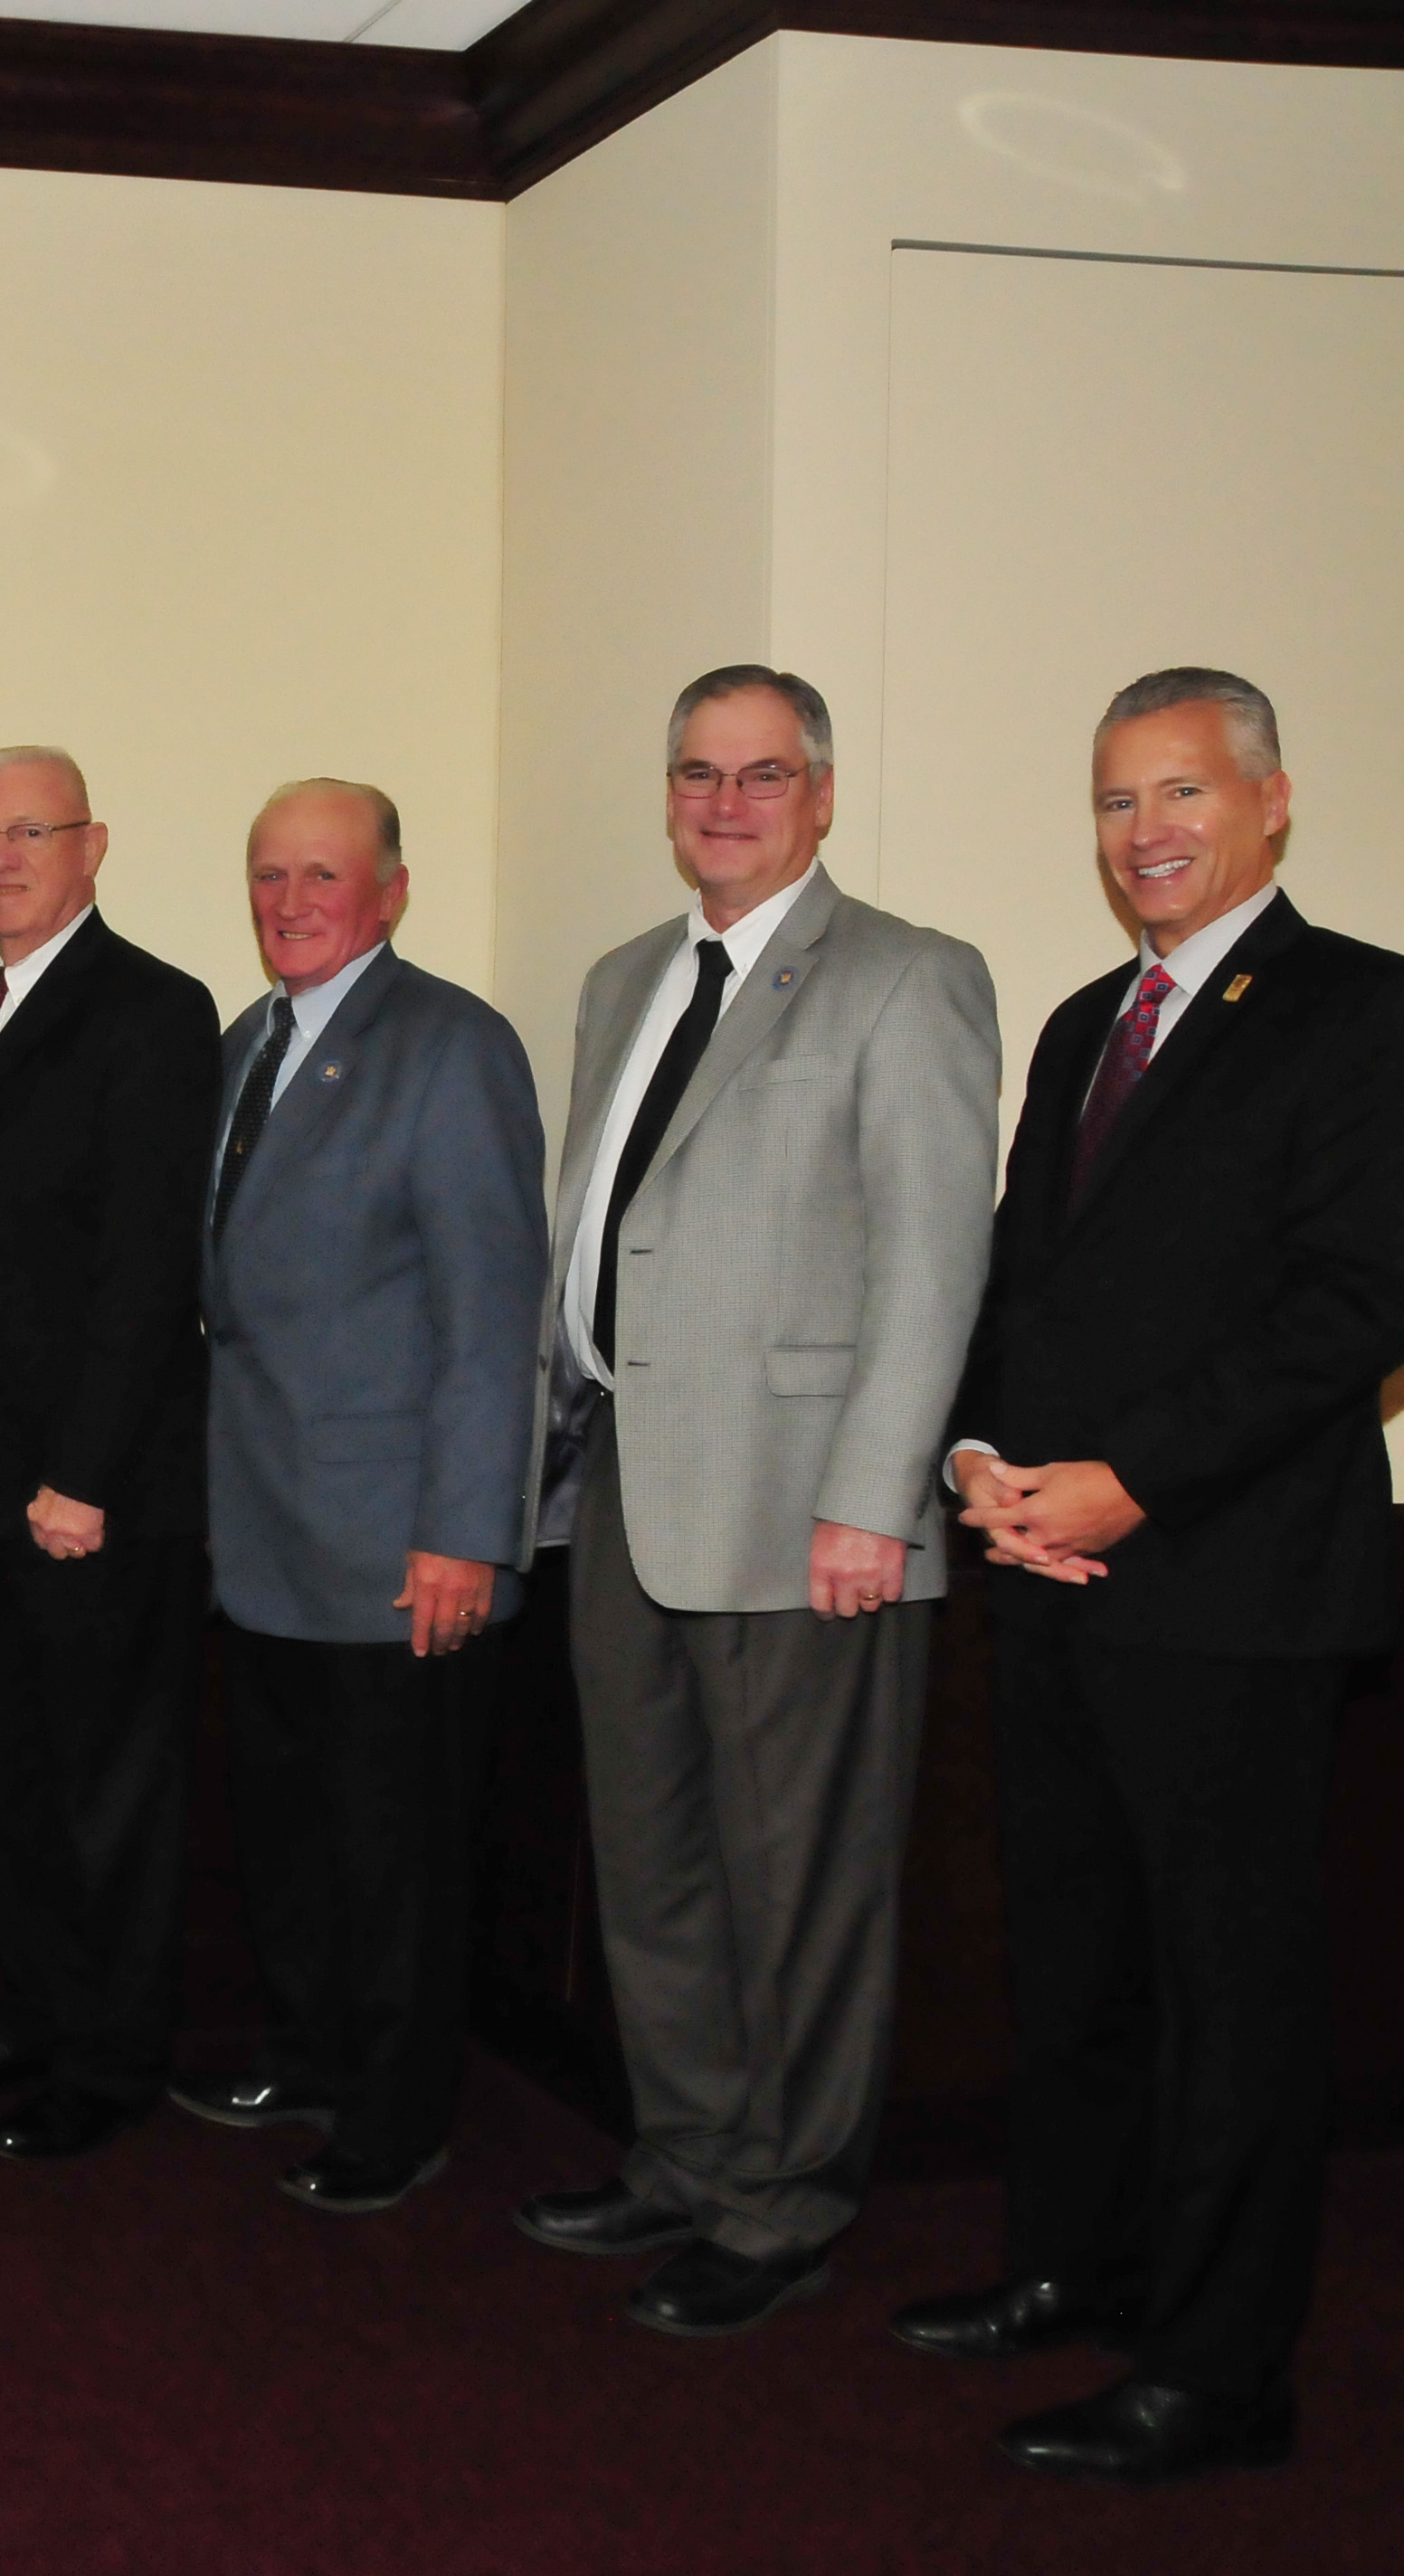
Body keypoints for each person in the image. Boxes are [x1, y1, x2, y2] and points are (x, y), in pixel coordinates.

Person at [898, 670, 1404, 2485]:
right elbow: (1014, 1279)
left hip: (1233, 1593)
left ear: (1271, 802)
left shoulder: (1355, 1009)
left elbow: (1350, 1307)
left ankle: (1214, 2369)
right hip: (1042, 1571)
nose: (1144, 831)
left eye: (1180, 791)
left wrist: (1125, 1483)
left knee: (1228, 1996)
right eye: (1114, 800)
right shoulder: (1076, 1022)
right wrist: (970, 1457)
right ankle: (1069, 2261)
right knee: (1074, 1961)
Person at [515, 667, 998, 2336]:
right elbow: (607, 1230)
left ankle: (784, 2201)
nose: (725, 802)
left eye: (762, 774)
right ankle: (689, 2152)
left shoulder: (905, 978)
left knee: (801, 1883)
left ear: (822, 793)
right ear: (666, 796)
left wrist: (877, 1500)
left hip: (810, 1523)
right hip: (621, 1491)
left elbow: (937, 1266)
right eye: (697, 775)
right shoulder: (624, 978)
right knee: (654, 1867)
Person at [185, 780, 546, 2213]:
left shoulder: (452, 1046)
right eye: (268, 874)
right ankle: (312, 2051)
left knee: (396, 1854)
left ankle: (398, 2115)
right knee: (293, 1832)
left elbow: (488, 1308)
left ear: (391, 892)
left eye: (321, 876)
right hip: (265, 1527)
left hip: (402, 1547)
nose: (289, 902)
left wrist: (466, 1530)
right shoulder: (243, 1045)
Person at [0, 747, 220, 2163]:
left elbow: (146, 1268)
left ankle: (110, 2059)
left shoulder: (151, 1011)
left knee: (107, 1793)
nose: (1, 856)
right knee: (16, 1783)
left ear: (95, 845)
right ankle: (33, 2023)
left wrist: (81, 1474)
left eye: (30, 830)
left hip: (90, 1494)